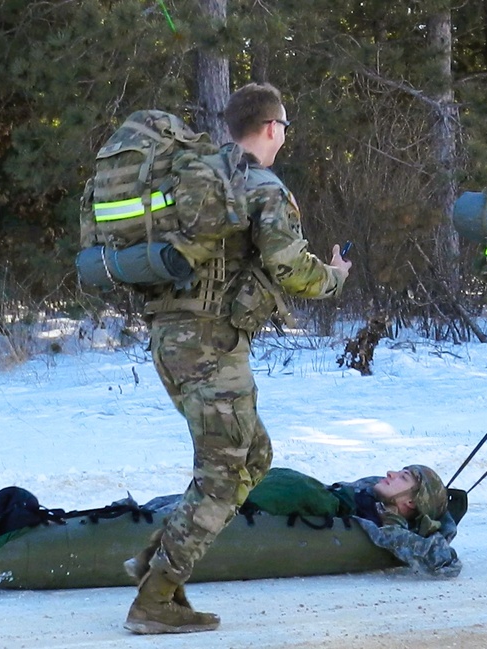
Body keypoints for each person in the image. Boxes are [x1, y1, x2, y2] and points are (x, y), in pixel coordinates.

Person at [122, 82, 352, 635]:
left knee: (255, 456)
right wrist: (334, 278)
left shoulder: (201, 178)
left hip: (173, 339)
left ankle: (156, 562)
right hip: (210, 345)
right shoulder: (261, 185)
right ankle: (154, 598)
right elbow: (289, 267)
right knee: (225, 473)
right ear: (272, 127)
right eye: (284, 127)